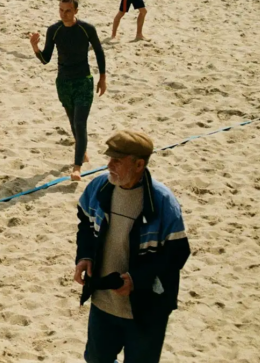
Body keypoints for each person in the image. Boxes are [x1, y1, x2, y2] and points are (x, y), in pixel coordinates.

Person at [74, 130, 190, 363]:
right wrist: (85, 255)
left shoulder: (162, 202)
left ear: (139, 164)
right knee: (96, 359)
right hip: (103, 301)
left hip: (146, 308)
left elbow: (177, 254)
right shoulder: (99, 188)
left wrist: (137, 279)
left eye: (117, 160)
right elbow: (85, 223)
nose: (109, 165)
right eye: (109, 159)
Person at [29, 0, 106, 181]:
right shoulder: (54, 30)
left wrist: (102, 78)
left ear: (76, 11)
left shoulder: (87, 29)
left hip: (83, 81)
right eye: (61, 10)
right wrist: (35, 47)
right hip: (63, 82)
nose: (64, 14)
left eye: (68, 11)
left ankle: (77, 167)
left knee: (80, 123)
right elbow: (46, 59)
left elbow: (99, 52)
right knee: (73, 122)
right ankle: (82, 151)